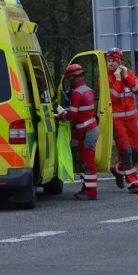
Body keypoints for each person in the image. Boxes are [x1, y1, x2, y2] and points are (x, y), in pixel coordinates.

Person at [57, 64, 99, 201]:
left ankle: (91, 192)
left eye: (69, 79)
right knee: (85, 161)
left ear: (72, 78)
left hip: (86, 131)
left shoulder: (76, 93)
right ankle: (86, 189)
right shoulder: (88, 90)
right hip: (89, 130)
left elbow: (73, 115)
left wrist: (61, 115)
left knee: (87, 162)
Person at [106, 47, 138, 194]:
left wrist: (126, 76)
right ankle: (133, 183)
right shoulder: (105, 78)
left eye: (113, 61)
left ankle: (117, 169)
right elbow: (112, 98)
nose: (110, 64)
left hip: (132, 120)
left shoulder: (129, 74)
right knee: (126, 152)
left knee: (137, 151)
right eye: (108, 61)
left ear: (119, 62)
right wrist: (117, 79)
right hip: (117, 121)